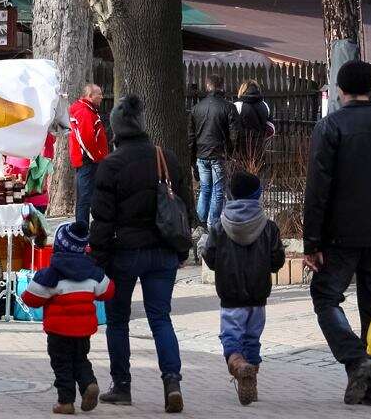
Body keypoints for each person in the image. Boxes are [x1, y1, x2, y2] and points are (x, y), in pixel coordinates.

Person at [302, 60, 371, 407]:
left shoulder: (330, 127)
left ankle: (355, 359)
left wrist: (312, 242)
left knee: (325, 297)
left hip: (340, 235)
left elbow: (317, 188)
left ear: (340, 89)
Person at [89, 94, 192, 413]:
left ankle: (122, 386)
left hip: (124, 252)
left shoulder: (111, 165)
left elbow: (102, 218)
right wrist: (181, 248)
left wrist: (99, 259)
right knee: (160, 317)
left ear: (116, 130)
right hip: (162, 250)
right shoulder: (167, 158)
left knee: (118, 320)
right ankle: (172, 381)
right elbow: (183, 206)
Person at [200, 172, 285, 406]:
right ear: (257, 195)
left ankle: (238, 365)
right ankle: (251, 381)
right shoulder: (269, 227)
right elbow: (277, 260)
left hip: (230, 294)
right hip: (258, 294)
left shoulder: (219, 226)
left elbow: (209, 257)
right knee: (252, 338)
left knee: (231, 336)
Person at [21, 222, 114, 415]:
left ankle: (66, 402)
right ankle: (89, 383)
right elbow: (108, 291)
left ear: (58, 246)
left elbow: (31, 298)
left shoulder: (51, 274)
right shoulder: (93, 272)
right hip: (83, 330)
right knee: (81, 359)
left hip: (58, 331)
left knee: (61, 363)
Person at [190, 75, 236, 227]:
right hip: (218, 154)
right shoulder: (228, 107)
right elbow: (234, 134)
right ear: (222, 86)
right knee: (217, 191)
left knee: (205, 189)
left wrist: (192, 161)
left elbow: (191, 138)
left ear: (207, 86)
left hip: (201, 155)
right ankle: (213, 225)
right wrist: (230, 153)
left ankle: (200, 223)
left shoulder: (197, 108)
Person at [68, 84, 109, 229]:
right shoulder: (84, 111)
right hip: (88, 162)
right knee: (85, 198)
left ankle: (86, 229)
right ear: (90, 96)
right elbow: (86, 139)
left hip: (89, 161)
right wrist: (97, 157)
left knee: (88, 197)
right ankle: (82, 231)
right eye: (99, 94)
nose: (102, 97)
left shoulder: (88, 110)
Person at [233, 82, 274, 162]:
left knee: (242, 172)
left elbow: (231, 128)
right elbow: (271, 129)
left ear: (242, 90)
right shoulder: (265, 105)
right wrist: (261, 137)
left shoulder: (237, 106)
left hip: (241, 148)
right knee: (257, 171)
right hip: (259, 147)